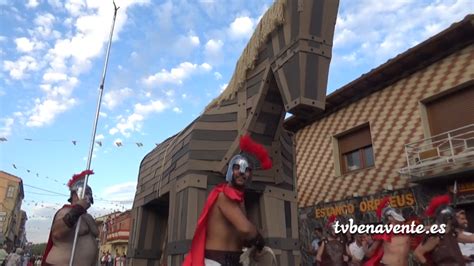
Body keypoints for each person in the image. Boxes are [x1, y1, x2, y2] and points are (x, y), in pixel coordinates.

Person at [183, 134, 272, 266]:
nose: (242, 172)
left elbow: (241, 235)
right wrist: (259, 240)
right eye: (237, 168)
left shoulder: (239, 200)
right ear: (230, 171)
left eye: (246, 170)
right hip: (216, 262)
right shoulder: (223, 195)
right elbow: (246, 229)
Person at [41, 170, 99, 266]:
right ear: (75, 195)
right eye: (86, 193)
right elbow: (57, 232)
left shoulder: (87, 216)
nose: (89, 197)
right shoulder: (65, 211)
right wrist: (78, 209)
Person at [414, 195, 474, 265]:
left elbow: (471, 238)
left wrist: (461, 257)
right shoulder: (436, 235)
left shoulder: (451, 233)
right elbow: (418, 253)